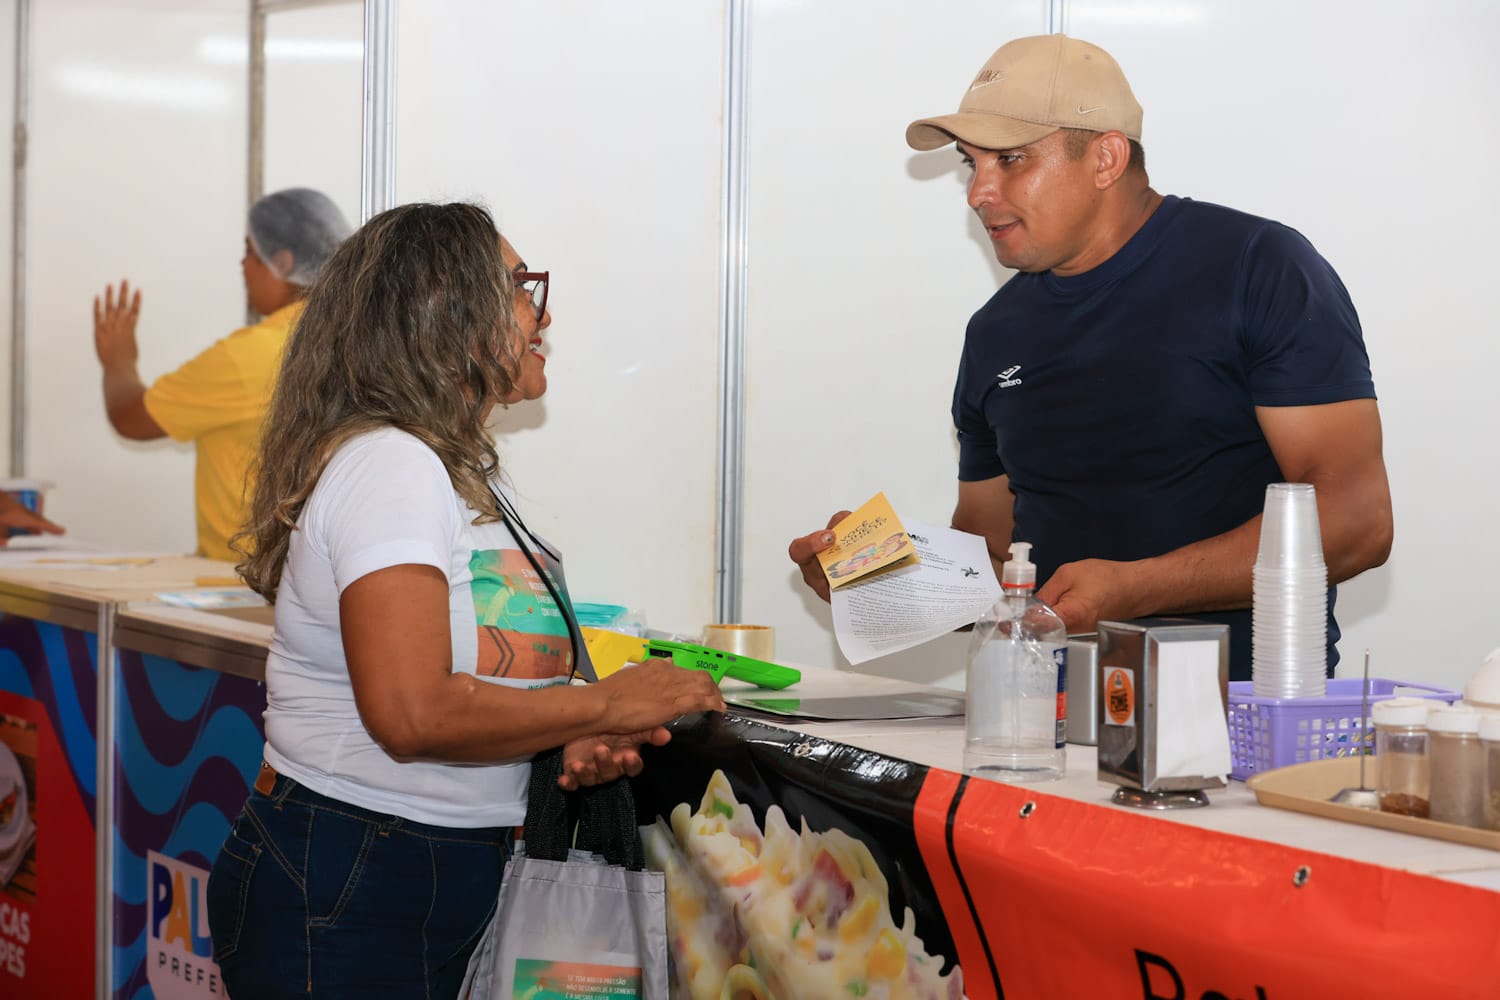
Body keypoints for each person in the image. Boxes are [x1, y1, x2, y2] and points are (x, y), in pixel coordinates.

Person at [204, 201, 724, 997]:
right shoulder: (392, 467)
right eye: (519, 288)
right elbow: (413, 713)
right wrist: (600, 707)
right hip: (352, 872)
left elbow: (478, 679)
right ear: (447, 316)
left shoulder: (448, 468)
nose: (540, 313)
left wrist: (562, 734)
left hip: (411, 866)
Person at [789, 34, 1393, 680]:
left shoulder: (1257, 269)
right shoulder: (996, 331)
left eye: (1011, 160)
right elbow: (998, 568)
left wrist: (1136, 589)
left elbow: (1356, 523)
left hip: (1242, 729)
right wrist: (883, 579)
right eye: (972, 164)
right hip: (1046, 726)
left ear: (1106, 157)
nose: (978, 193)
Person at [91, 187, 352, 562]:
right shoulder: (355, 342)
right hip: (323, 580)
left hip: (241, 582)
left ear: (281, 261)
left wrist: (118, 360)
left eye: (249, 252)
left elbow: (130, 417)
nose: (242, 265)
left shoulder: (248, 357)